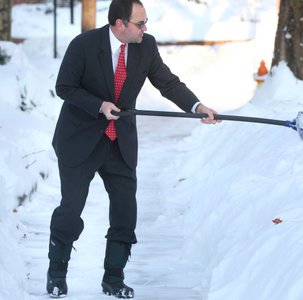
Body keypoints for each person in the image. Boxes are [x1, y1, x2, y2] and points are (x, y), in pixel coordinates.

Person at [46, 0, 220, 298]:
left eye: (146, 22)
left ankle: (113, 278)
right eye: (140, 23)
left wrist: (196, 106)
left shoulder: (145, 46)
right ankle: (57, 273)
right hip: (80, 139)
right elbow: (65, 87)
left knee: (126, 212)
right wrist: (99, 105)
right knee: (71, 209)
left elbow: (167, 83)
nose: (145, 28)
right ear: (119, 24)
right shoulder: (84, 45)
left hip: (119, 142)